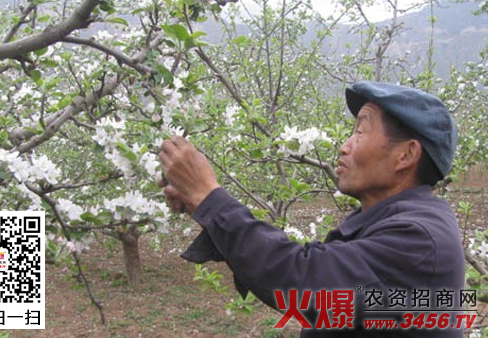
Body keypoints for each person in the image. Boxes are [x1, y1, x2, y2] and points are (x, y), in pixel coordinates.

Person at [158, 81, 465, 337]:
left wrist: (208, 195)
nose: (344, 146)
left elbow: (302, 278)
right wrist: (202, 204)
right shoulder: (390, 221)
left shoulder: (420, 238)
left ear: (406, 155)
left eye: (360, 132)